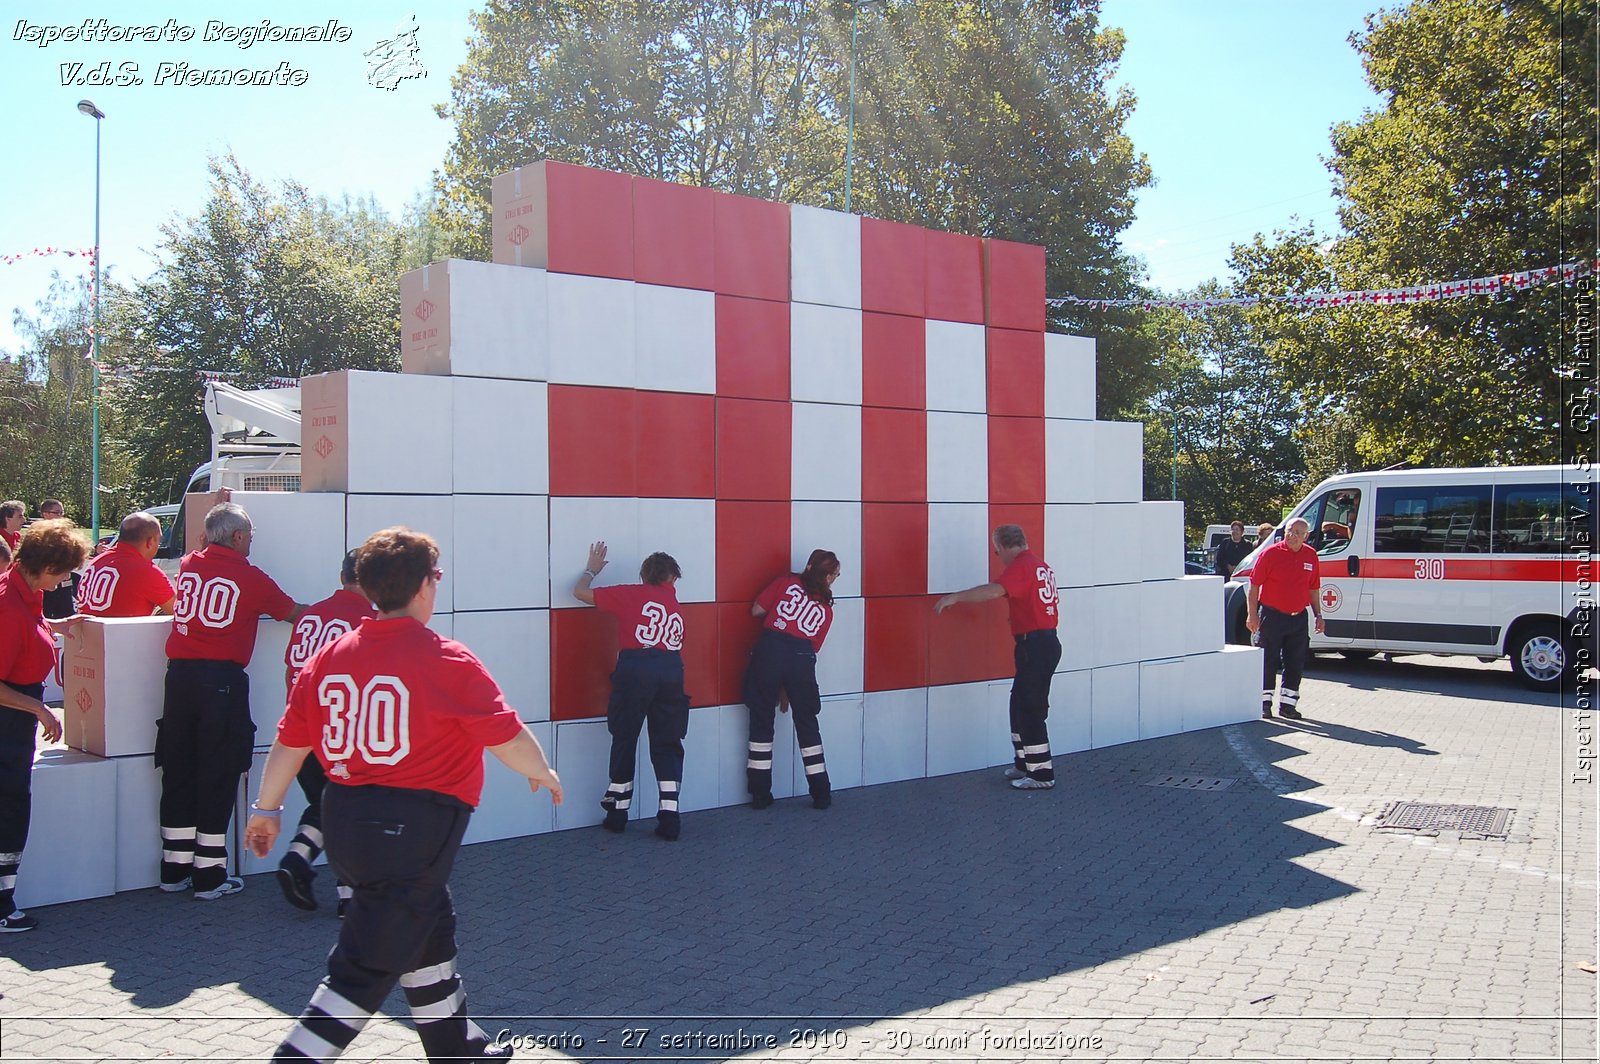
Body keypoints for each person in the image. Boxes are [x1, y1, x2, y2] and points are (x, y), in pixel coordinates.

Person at [245, 526, 562, 1063]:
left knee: (429, 932)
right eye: (435, 577)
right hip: (412, 831)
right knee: (363, 970)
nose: (437, 587)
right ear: (421, 586)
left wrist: (267, 809)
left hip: (345, 822)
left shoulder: (330, 656)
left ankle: (458, 1049)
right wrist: (544, 771)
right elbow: (506, 734)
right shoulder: (446, 657)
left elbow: (289, 742)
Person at [158, 502, 306, 900]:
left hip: (179, 679)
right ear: (239, 537)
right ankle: (209, 873)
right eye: (251, 535)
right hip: (220, 683)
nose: (253, 541)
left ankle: (174, 868)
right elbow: (293, 613)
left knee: (178, 770)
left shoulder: (190, 563)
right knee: (219, 772)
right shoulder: (250, 577)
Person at [0, 519, 88, 931]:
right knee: (9, 808)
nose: (65, 581)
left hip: (15, 718)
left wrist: (58, 627)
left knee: (13, 805)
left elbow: (26, 629)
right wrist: (40, 710)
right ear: (47, 565)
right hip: (8, 721)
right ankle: (2, 906)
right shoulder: (8, 604)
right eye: (64, 572)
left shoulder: (23, 594)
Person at [275, 550, 374, 916]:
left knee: (326, 806)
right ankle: (349, 895)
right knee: (355, 809)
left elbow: (291, 670)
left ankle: (299, 858)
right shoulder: (368, 620)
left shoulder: (310, 615)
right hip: (341, 737)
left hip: (301, 733)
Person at [573, 542, 689, 840]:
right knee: (667, 743)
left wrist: (590, 570)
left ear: (645, 576)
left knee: (625, 737)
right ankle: (669, 816)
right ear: (672, 578)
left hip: (635, 669)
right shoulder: (674, 606)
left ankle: (617, 813)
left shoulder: (632, 594)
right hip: (672, 671)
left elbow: (580, 593)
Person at [935, 524, 1061, 789]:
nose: (998, 557)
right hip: (1040, 642)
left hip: (1036, 644)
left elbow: (994, 590)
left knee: (1030, 707)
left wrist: (955, 597)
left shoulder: (1022, 566)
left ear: (1003, 546)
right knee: (1018, 703)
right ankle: (1024, 762)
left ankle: (1041, 774)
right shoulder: (1038, 565)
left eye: (996, 551)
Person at [743, 550, 841, 811]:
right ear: (829, 577)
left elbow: (756, 610)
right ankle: (821, 793)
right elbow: (812, 650)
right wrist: (787, 687)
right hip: (801, 660)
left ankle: (760, 794)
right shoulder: (826, 611)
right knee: (808, 723)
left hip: (769, 652)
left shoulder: (785, 583)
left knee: (761, 720)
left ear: (808, 566)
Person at [1246, 516, 1324, 721]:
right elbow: (1254, 587)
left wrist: (1318, 615)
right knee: (1267, 660)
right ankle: (1264, 703)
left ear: (1306, 536)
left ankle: (1288, 706)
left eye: (1298, 533)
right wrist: (1252, 615)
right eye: (1290, 531)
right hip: (1271, 616)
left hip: (1298, 618)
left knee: (1295, 662)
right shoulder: (1270, 554)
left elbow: (1314, 588)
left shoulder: (1311, 556)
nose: (1292, 536)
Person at [75, 511, 177, 617]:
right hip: (123, 632)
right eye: (158, 541)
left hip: (87, 631)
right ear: (150, 542)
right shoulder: (144, 570)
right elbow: (178, 612)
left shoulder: (97, 561)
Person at [34, 501, 78, 620]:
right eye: (56, 512)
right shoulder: (37, 534)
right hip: (45, 584)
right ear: (45, 514)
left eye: (61, 512)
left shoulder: (66, 532)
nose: (60, 516)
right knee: (46, 618)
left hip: (64, 583)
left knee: (68, 617)